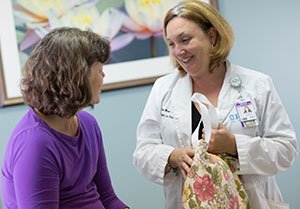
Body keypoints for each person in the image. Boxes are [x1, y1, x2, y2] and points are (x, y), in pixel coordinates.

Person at [132, 1, 298, 209]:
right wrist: (172, 156)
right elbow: (142, 152)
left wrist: (235, 146)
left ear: (212, 36)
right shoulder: (163, 89)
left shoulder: (257, 84)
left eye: (185, 40)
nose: (178, 51)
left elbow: (286, 150)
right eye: (172, 44)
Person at [1, 27, 129, 209]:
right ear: (76, 76)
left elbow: (108, 198)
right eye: (99, 68)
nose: (103, 75)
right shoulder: (35, 144)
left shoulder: (88, 124)